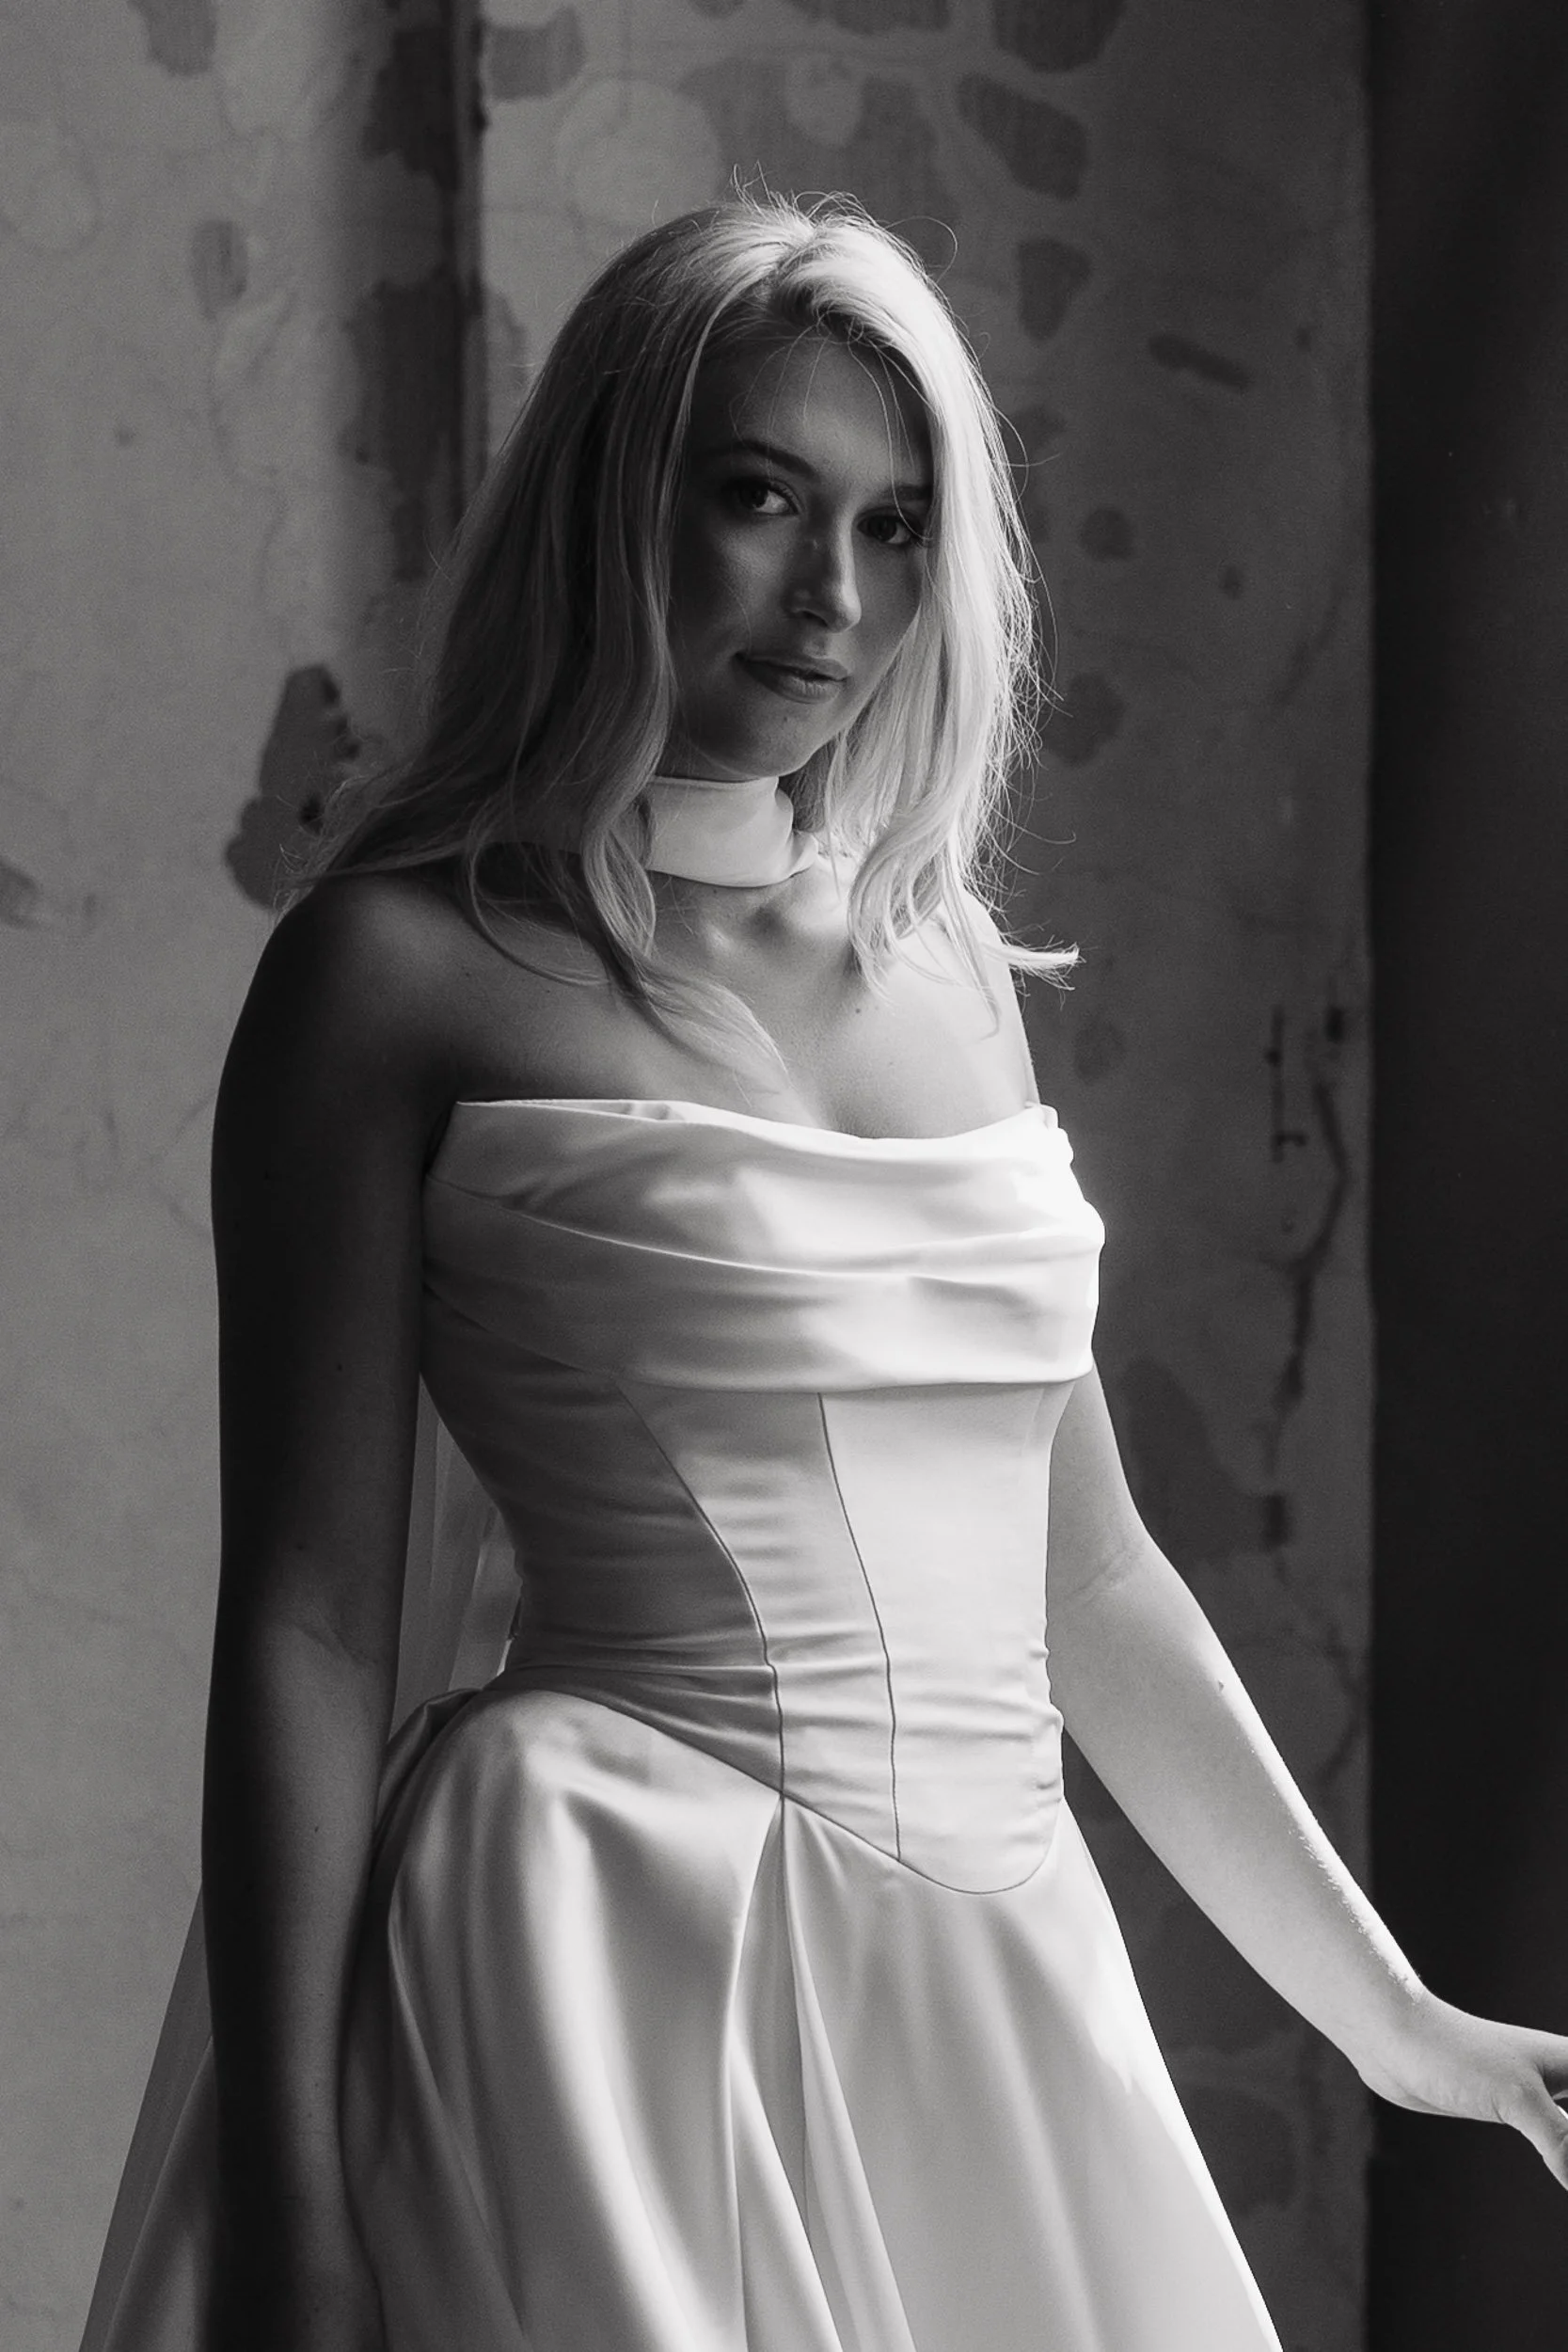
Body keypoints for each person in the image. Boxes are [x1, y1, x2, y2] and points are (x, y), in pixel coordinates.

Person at [80, 193, 1568, 2352]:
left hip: (992, 1974)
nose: (832, 598)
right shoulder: (387, 974)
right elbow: (308, 1619)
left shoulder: (946, 966)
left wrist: (1396, 2023)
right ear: (614, 502)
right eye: (760, 496)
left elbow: (1090, 1583)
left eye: (891, 525)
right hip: (602, 1956)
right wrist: (291, 2178)